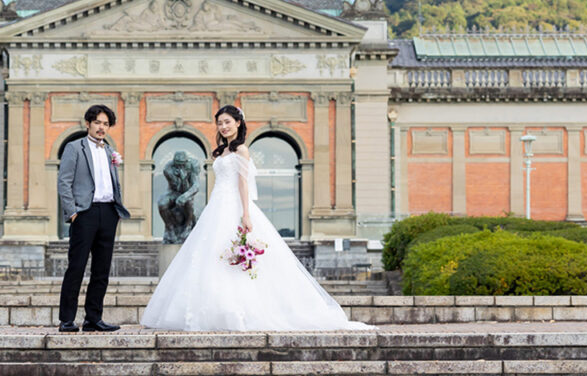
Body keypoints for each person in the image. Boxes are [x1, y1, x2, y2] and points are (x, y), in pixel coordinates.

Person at [141, 105, 373, 331]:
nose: (223, 126)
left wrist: (245, 214)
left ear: (238, 123)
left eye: (227, 122)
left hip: (234, 205)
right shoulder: (221, 152)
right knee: (210, 254)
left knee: (232, 255)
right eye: (220, 123)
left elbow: (243, 183)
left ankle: (243, 309)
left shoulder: (242, 150)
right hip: (216, 206)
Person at [56, 104, 131, 332]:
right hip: (85, 214)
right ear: (88, 123)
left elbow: (112, 183)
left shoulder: (109, 151)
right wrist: (73, 212)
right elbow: (64, 182)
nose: (101, 127)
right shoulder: (74, 148)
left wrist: (116, 211)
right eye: (98, 122)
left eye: (106, 124)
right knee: (76, 267)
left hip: (108, 212)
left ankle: (93, 318)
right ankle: (67, 320)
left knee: (102, 270)